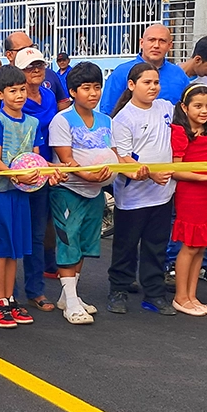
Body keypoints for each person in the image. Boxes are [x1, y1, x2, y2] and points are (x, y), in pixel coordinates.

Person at [48, 62, 117, 325]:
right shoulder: (62, 120)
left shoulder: (106, 120)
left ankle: (69, 296)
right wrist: (88, 176)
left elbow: (114, 153)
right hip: (69, 191)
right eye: (86, 88)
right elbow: (66, 158)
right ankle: (72, 304)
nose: (93, 93)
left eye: (97, 87)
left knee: (84, 245)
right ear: (73, 91)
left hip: (95, 192)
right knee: (68, 243)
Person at [107, 63, 177, 317]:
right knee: (126, 247)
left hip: (163, 195)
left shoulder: (166, 108)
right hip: (132, 197)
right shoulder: (124, 118)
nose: (153, 87)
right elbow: (123, 158)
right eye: (147, 82)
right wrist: (150, 173)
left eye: (156, 82)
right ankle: (118, 290)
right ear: (131, 85)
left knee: (156, 246)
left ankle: (154, 294)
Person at [0, 65, 44, 329]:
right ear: (0, 94)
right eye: (13, 91)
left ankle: (10, 299)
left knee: (14, 250)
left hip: (22, 194)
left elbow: (36, 158)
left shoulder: (33, 123)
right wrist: (17, 177)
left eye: (22, 90)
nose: (19, 95)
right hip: (0, 192)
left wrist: (43, 174)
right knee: (0, 250)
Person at [169, 84, 207, 316]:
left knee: (202, 245)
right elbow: (176, 170)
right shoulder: (179, 132)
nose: (204, 111)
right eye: (198, 106)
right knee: (190, 245)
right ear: (185, 107)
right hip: (190, 193)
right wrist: (204, 177)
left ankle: (192, 295)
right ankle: (180, 297)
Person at [13, 46, 61, 310]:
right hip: (17, 174)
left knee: (38, 234)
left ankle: (35, 290)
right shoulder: (13, 99)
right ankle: (6, 293)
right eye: (30, 67)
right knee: (11, 234)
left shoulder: (49, 95)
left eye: (40, 65)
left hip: (44, 173)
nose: (36, 70)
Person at [101, 24, 190, 114]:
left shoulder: (178, 74)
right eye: (152, 40)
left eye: (162, 41)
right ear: (141, 43)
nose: (156, 45)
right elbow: (108, 111)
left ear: (170, 45)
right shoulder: (122, 72)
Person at [0, 31, 70, 112]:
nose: (30, 51)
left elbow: (63, 105)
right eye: (24, 49)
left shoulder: (49, 76)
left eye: (32, 47)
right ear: (9, 55)